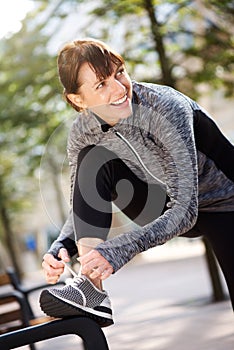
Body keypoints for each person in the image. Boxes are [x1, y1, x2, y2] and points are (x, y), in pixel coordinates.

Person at [40, 38, 234, 327]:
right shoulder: (83, 134)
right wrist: (63, 243)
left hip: (223, 203)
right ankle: (91, 290)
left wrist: (116, 251)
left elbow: (186, 210)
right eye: (101, 84)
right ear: (78, 100)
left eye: (119, 73)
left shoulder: (165, 106)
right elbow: (84, 200)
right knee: (92, 159)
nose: (119, 89)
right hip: (160, 204)